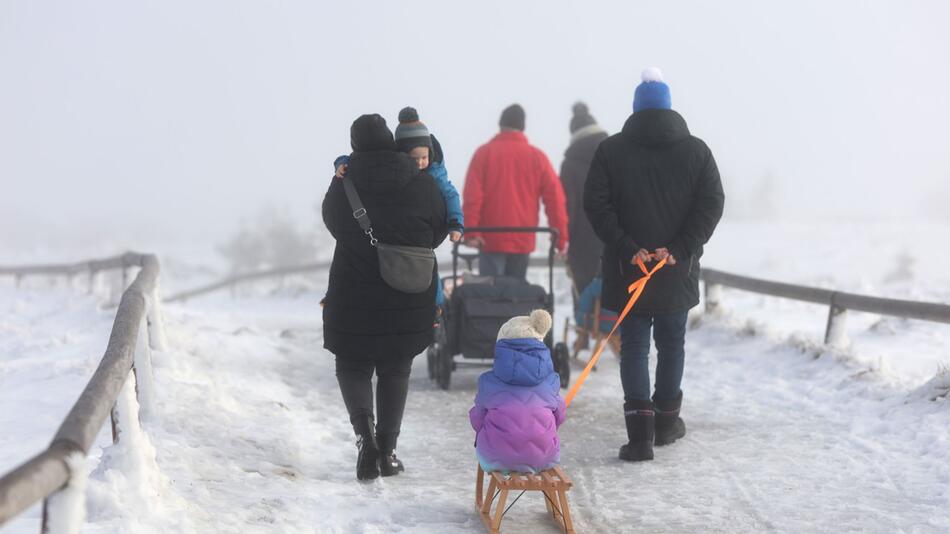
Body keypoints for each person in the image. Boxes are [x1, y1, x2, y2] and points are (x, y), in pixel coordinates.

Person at [583, 68, 725, 462]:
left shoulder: (611, 151)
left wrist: (628, 247)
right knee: (672, 344)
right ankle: (666, 423)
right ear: (669, 107)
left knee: (634, 349)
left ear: (635, 108)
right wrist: (679, 247)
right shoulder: (697, 151)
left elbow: (595, 204)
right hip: (674, 269)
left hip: (630, 270)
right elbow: (712, 204)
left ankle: (640, 437)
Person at [322, 114, 448, 480]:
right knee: (396, 369)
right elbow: (438, 229)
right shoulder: (420, 180)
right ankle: (388, 452)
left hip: (352, 293)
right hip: (409, 293)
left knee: (353, 364)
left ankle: (365, 440)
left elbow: (333, 223)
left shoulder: (345, 181)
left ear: (355, 144)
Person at [334, 107, 463, 306]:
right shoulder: (396, 170)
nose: (420, 163)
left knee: (429, 280)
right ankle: (434, 311)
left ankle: (437, 309)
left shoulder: (435, 172)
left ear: (431, 153)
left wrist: (455, 224)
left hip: (412, 248)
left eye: (424, 157)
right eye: (415, 158)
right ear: (402, 155)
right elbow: (355, 160)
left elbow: (450, 195)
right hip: (414, 246)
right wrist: (341, 162)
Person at [462, 104, 569, 279]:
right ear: (522, 127)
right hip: (523, 239)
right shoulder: (537, 157)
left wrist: (472, 232)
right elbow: (555, 200)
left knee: (489, 297)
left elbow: (472, 196)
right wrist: (560, 238)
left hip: (489, 240)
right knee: (517, 299)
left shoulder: (483, 154)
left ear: (500, 125)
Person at [469, 309, 566, 473]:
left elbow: (477, 420)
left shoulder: (488, 382)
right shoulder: (551, 382)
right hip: (544, 458)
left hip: (495, 458)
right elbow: (560, 416)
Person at [560, 102, 609, 295]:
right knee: (614, 294)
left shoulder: (569, 165)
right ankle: (615, 325)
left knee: (584, 296)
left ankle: (586, 324)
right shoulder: (614, 155)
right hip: (613, 237)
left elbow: (568, 206)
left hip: (581, 241)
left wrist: (565, 240)